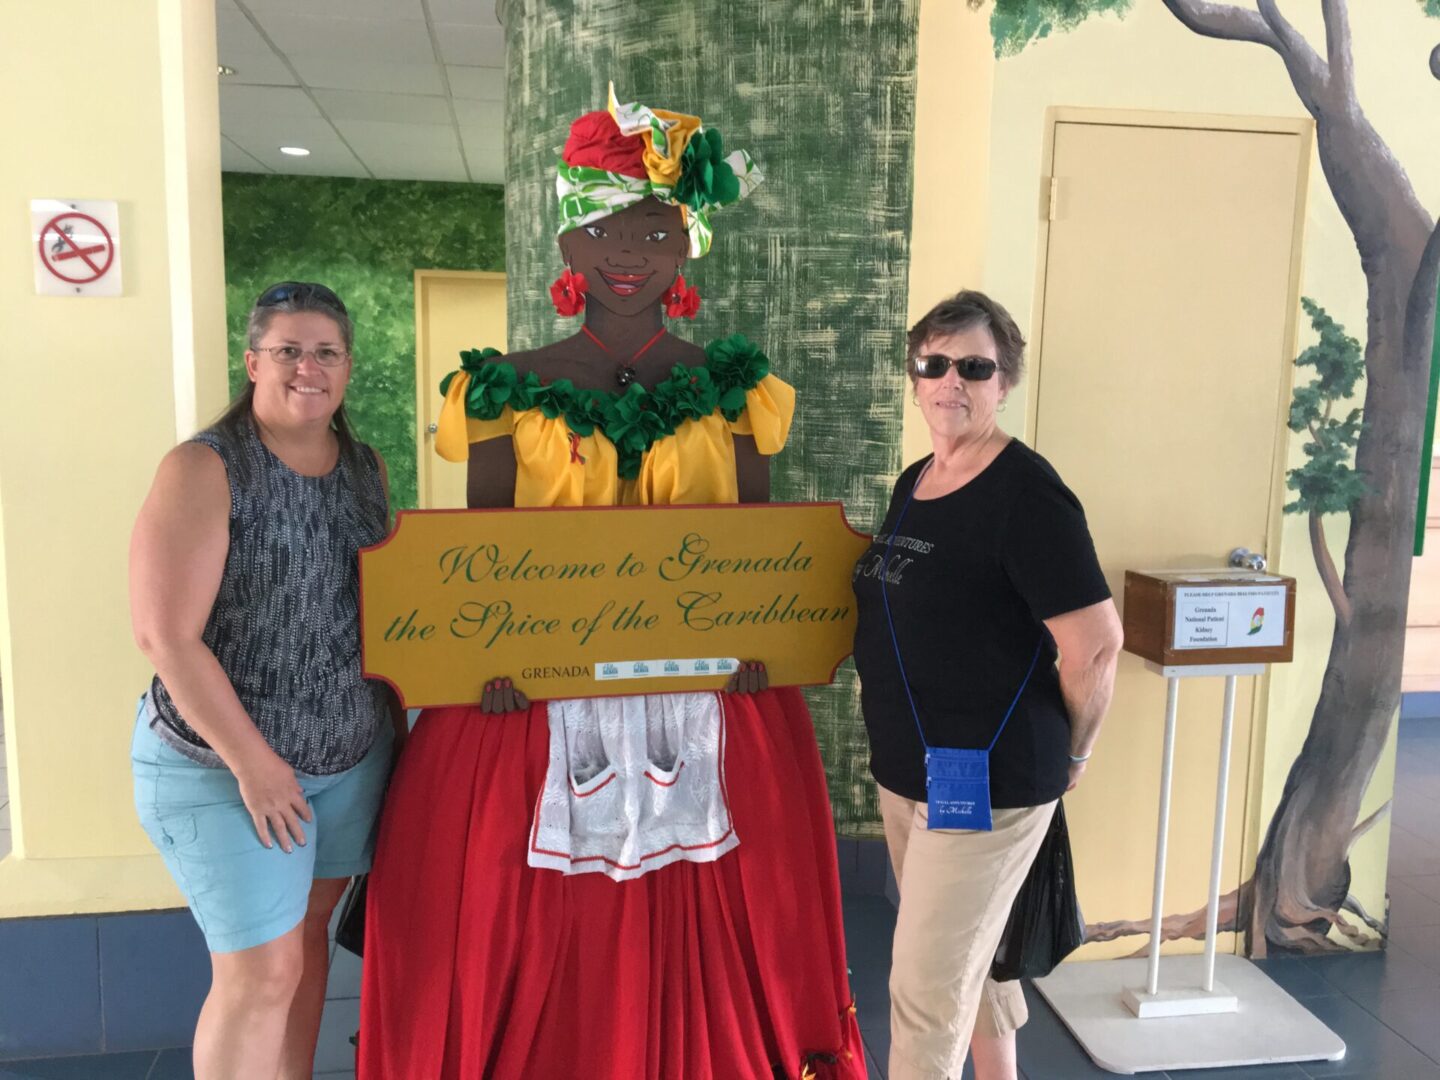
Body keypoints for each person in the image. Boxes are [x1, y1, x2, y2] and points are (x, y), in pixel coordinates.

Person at [358, 89, 864, 1079]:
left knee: (724, 909)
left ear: (685, 252)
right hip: (547, 697)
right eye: (603, 226)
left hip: (702, 696)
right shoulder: (506, 385)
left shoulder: (733, 390)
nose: (627, 248)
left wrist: (765, 648)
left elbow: (760, 556)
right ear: (569, 247)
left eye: (654, 227)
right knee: (523, 911)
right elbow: (481, 559)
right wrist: (482, 666)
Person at [129, 282, 404, 1080]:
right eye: (288, 350)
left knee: (307, 949)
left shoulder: (366, 468)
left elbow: (379, 607)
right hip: (226, 767)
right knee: (260, 975)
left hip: (348, 761)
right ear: (253, 362)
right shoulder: (204, 469)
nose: (307, 367)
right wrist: (257, 764)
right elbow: (165, 637)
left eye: (326, 352)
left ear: (348, 368)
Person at [850, 290, 1123, 1080]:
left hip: (989, 784)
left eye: (974, 365)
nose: (950, 381)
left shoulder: (1027, 495)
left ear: (1005, 382)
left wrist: (1073, 757)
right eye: (932, 363)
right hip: (909, 774)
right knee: (980, 955)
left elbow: (1097, 647)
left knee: (924, 987)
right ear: (914, 376)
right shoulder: (918, 480)